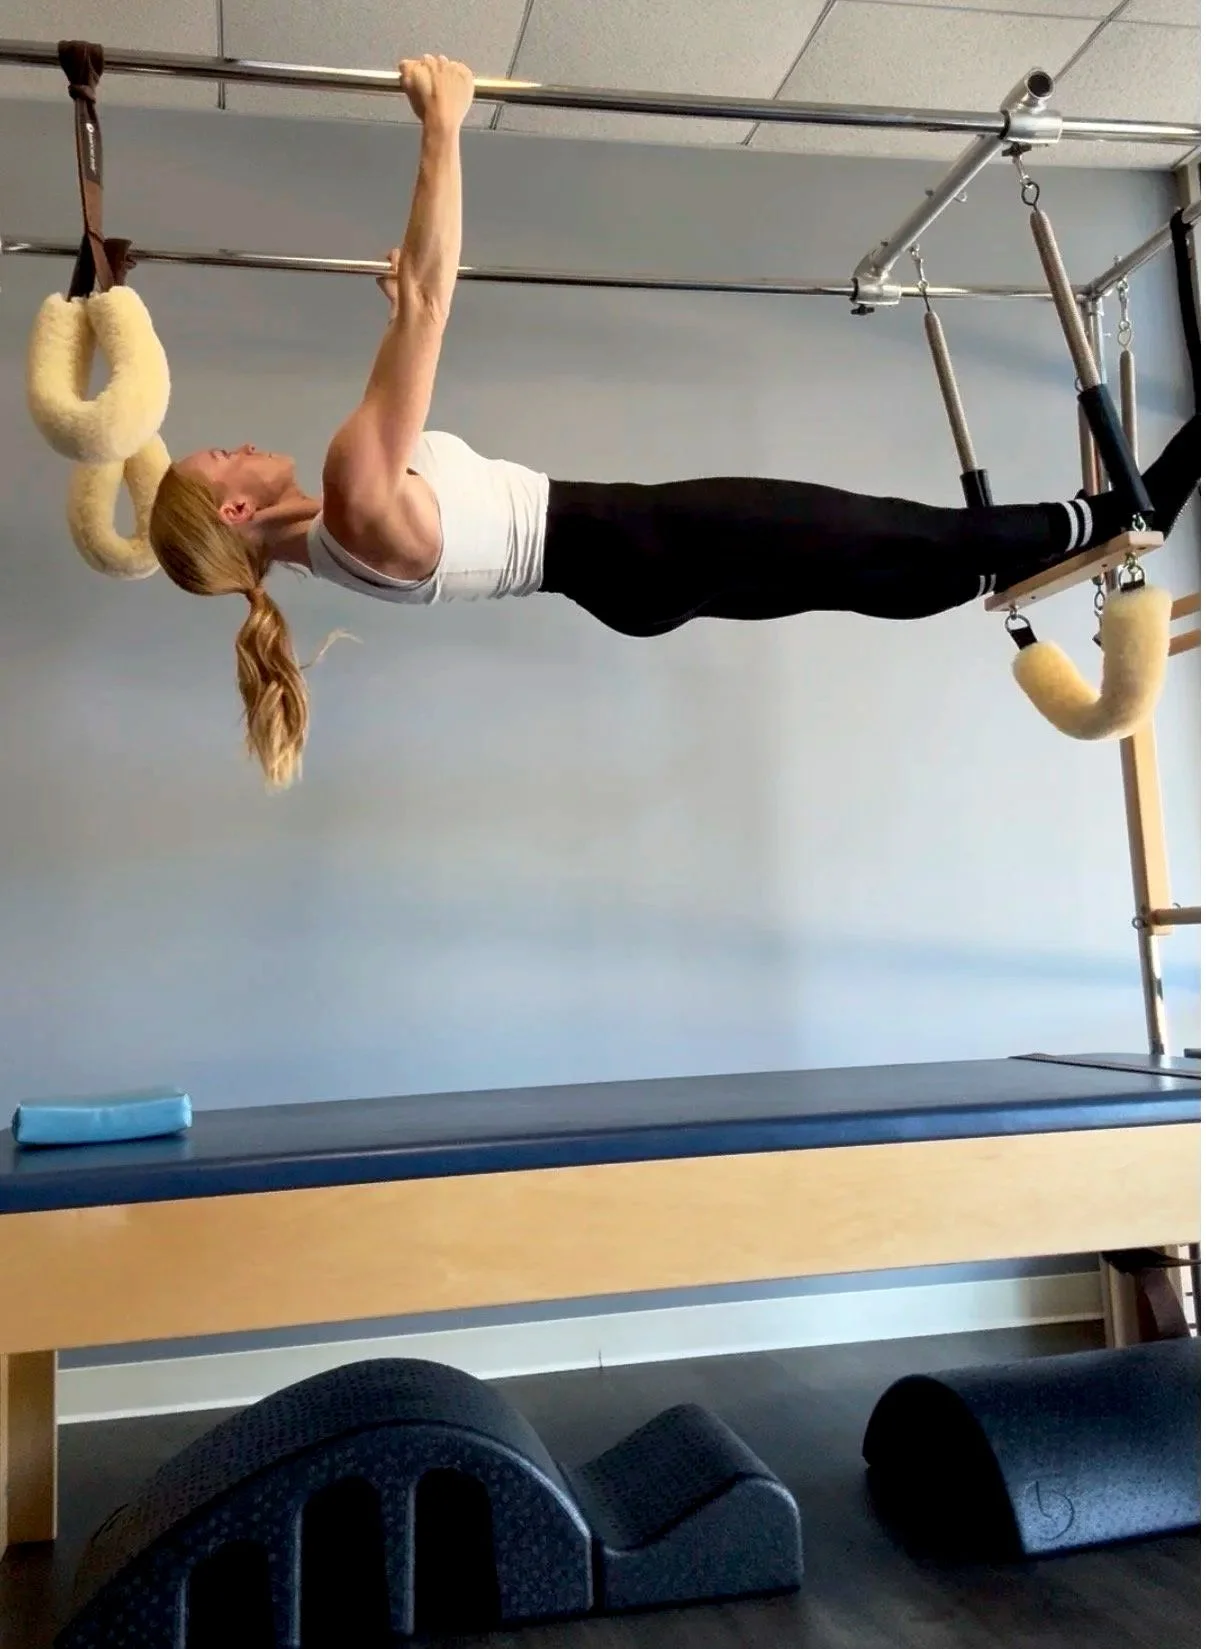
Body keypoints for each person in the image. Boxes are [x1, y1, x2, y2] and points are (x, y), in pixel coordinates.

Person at [149, 55, 1200, 789]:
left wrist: (399, 333)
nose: (237, 439)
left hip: (624, 573)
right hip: (640, 540)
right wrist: (441, 122)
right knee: (884, 534)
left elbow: (415, 378)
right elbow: (433, 294)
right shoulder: (347, 489)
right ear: (236, 504)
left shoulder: (329, 540)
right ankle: (1110, 515)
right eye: (223, 454)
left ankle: (1055, 544)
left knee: (869, 569)